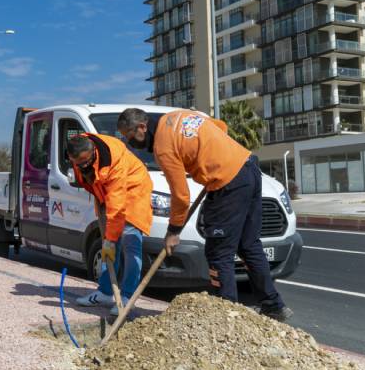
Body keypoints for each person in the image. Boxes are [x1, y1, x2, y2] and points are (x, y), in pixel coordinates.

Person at [116, 107, 292, 321]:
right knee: (248, 245)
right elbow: (220, 127)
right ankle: (273, 305)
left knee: (218, 252)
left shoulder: (163, 146)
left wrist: (173, 231)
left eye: (130, 136)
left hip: (227, 182)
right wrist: (210, 154)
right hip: (249, 168)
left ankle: (227, 316)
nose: (130, 143)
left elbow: (181, 196)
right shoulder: (177, 115)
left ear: (142, 127)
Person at [67, 133, 153, 315]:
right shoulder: (78, 149)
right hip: (107, 193)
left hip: (133, 190)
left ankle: (127, 296)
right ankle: (106, 292)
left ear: (92, 152)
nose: (83, 165)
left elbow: (117, 205)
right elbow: (88, 180)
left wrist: (110, 239)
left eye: (85, 161)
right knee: (110, 245)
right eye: (78, 162)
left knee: (130, 243)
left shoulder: (114, 160)